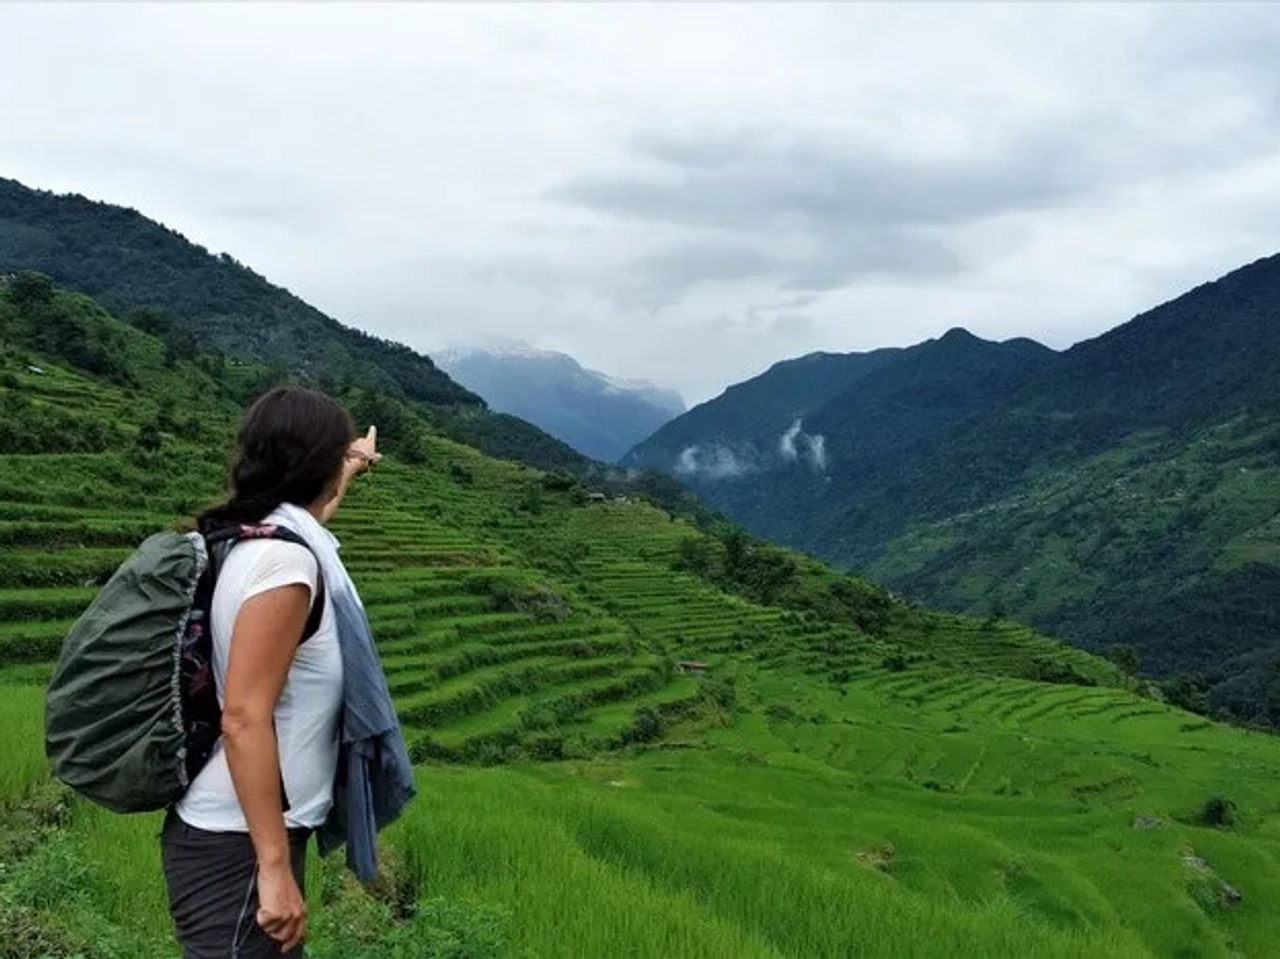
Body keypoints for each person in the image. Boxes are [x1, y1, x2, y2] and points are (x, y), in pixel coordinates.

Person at [161, 386, 383, 958]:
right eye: (336, 458)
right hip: (238, 845)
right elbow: (243, 717)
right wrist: (273, 867)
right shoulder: (283, 564)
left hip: (247, 834)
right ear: (315, 466)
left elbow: (317, 513)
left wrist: (351, 462)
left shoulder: (266, 533)